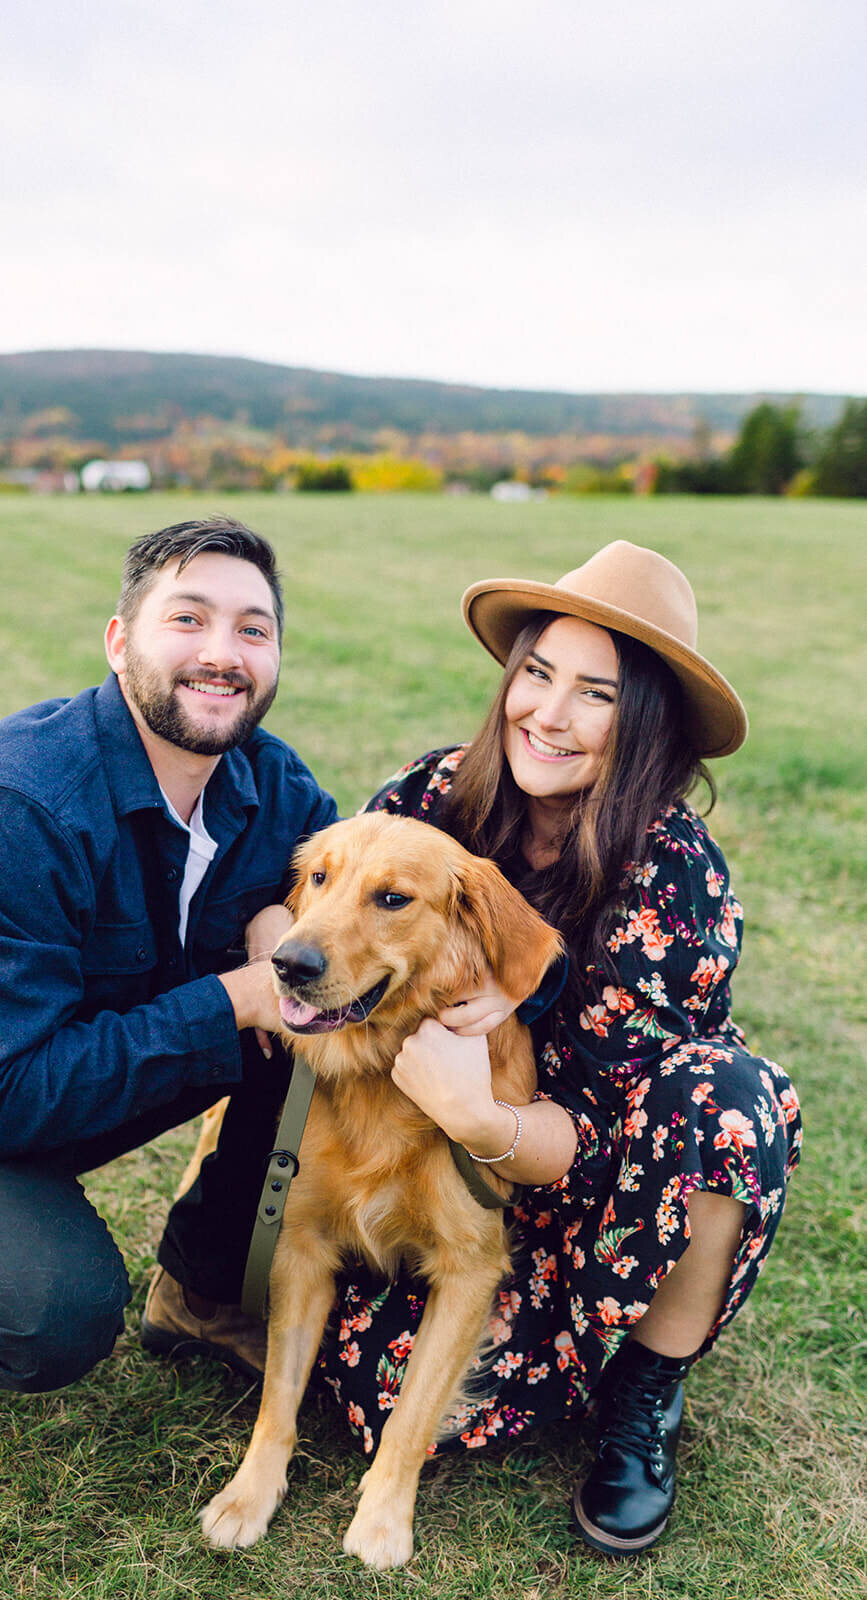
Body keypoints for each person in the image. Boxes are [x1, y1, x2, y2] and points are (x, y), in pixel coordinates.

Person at [0, 516, 337, 1449]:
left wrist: (285, 922)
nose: (223, 654)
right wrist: (242, 995)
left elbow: (331, 881)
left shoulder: (265, 778)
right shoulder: (13, 801)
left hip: (77, 1070)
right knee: (49, 1314)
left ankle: (205, 1292)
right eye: (188, 619)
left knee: (320, 1017)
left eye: (253, 629)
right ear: (119, 642)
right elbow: (6, 1102)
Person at [319, 541, 802, 1556]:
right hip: (438, 1192)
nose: (545, 713)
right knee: (373, 1396)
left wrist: (477, 1113)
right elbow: (319, 926)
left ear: (646, 724)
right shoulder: (430, 800)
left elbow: (599, 1138)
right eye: (535, 673)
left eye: (594, 693)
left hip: (609, 1194)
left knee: (726, 1096)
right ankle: (536, 1345)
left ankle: (641, 1386)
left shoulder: (672, 878)